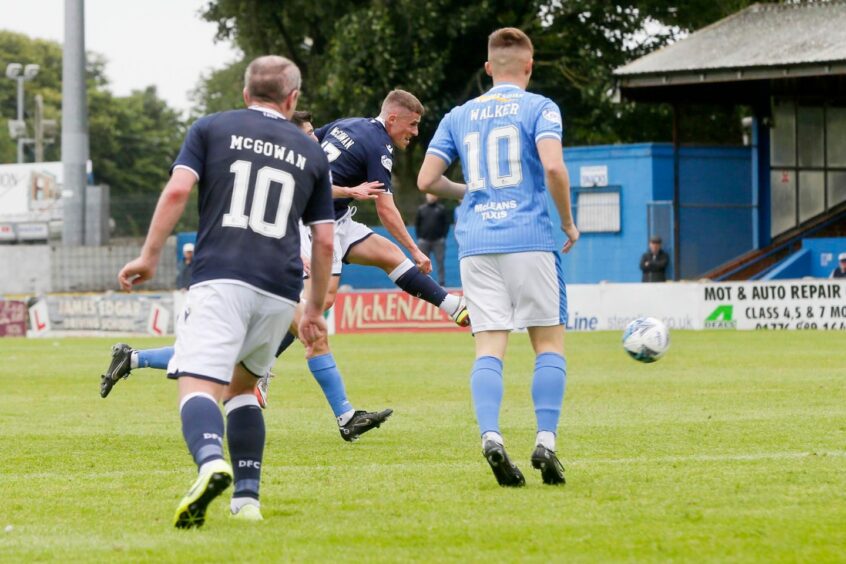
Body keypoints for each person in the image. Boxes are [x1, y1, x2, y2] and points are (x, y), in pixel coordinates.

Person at [116, 55, 335, 528]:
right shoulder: (310, 152)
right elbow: (323, 239)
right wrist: (313, 308)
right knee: (243, 387)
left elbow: (177, 192)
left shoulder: (211, 128)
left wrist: (149, 256)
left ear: (245, 92)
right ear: (292, 99)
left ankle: (211, 460)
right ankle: (247, 501)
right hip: (280, 289)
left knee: (198, 385)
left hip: (221, 276)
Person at [100, 111, 393, 444]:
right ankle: (342, 418)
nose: (315, 139)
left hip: (245, 274)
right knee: (304, 338)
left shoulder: (255, 154)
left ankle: (133, 358)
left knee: (224, 353)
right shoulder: (287, 165)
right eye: (309, 133)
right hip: (257, 276)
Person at [418, 27, 578, 488]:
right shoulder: (540, 107)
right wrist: (567, 221)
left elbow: (428, 180)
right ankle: (545, 440)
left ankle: (491, 435)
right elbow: (552, 166)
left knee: (489, 346)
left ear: (488, 69)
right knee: (547, 343)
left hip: (476, 243)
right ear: (529, 66)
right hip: (529, 238)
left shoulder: (460, 115)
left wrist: (466, 190)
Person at [415, 193, 451, 286]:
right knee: (422, 262)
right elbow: (417, 225)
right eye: (429, 194)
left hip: (438, 241)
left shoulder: (441, 209)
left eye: (433, 194)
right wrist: (420, 237)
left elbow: (446, 224)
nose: (431, 196)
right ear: (426, 196)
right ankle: (420, 283)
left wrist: (443, 237)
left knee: (440, 262)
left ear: (437, 196)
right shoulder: (421, 209)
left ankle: (441, 283)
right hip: (424, 241)